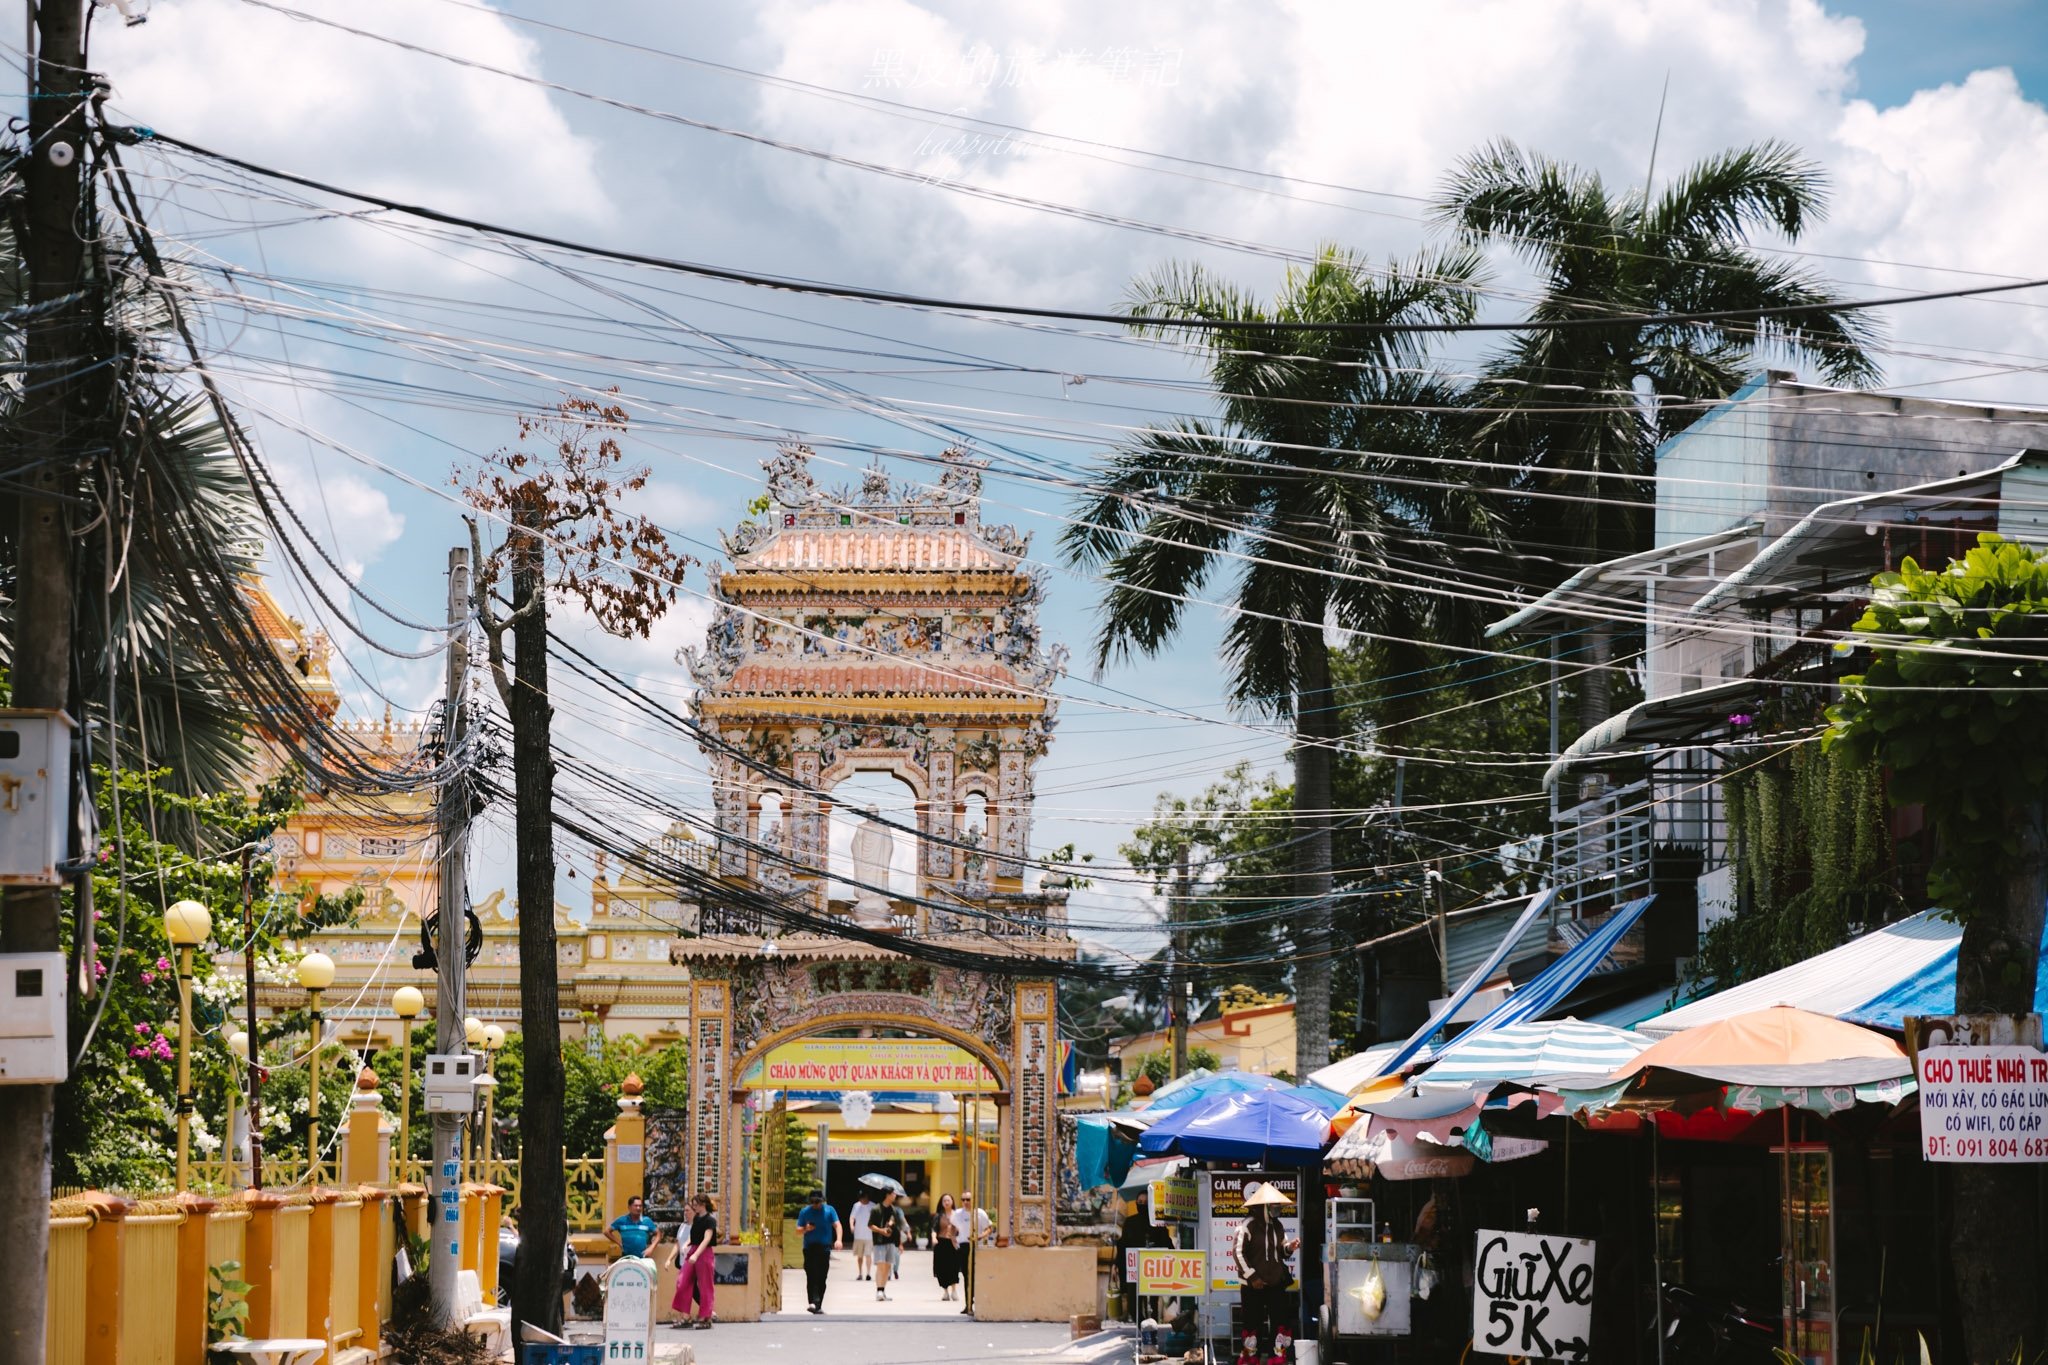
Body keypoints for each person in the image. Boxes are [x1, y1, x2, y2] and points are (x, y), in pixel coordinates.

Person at [1232, 1182, 1300, 1359]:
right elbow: (1238, 1253)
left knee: (1280, 1323)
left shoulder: (1278, 1226)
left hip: (1275, 1283)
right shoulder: (1248, 1225)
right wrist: (1253, 1277)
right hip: (1252, 1285)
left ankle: (1275, 1359)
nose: (1277, 1208)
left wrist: (1290, 1248)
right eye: (1273, 1205)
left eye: (1277, 1205)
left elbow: (1281, 1252)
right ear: (1263, 1206)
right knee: (1252, 1324)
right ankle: (1250, 1359)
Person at [668, 1194, 719, 1329]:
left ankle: (705, 1318)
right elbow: (694, 1235)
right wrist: (686, 1244)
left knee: (705, 1286)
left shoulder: (710, 1221)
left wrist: (696, 1254)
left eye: (695, 1204)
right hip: (693, 1250)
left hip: (704, 1252)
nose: (694, 1206)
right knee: (682, 1281)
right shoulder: (697, 1219)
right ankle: (686, 1316)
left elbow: (706, 1239)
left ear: (702, 1204)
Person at [795, 1190, 842, 1314]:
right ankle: (812, 1302)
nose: (815, 1204)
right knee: (811, 1275)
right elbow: (798, 1230)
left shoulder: (829, 1210)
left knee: (822, 1277)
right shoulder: (805, 1212)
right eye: (812, 1201)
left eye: (817, 1201)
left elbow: (837, 1225)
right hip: (809, 1248)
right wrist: (806, 1228)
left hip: (824, 1248)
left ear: (822, 1201)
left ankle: (818, 1303)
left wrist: (839, 1240)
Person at [869, 1190, 903, 1300]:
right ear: (887, 1195)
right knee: (881, 1266)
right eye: (893, 1193)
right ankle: (878, 1291)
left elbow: (898, 1226)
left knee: (888, 1267)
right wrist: (881, 1230)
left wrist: (899, 1242)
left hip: (891, 1241)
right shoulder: (876, 1209)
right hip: (879, 1241)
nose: (895, 1196)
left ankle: (883, 1291)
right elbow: (870, 1225)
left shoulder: (894, 1209)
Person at [607, 1195, 661, 1259]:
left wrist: (651, 1248)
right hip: (626, 1257)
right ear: (629, 1207)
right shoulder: (622, 1220)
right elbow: (607, 1232)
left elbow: (658, 1234)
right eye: (636, 1206)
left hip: (642, 1257)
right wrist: (619, 1243)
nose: (638, 1208)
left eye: (640, 1206)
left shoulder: (647, 1221)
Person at [931, 1193, 961, 1301]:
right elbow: (934, 1229)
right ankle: (945, 1291)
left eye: (948, 1200)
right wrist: (934, 1239)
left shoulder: (957, 1215)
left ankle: (954, 1290)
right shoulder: (938, 1215)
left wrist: (956, 1228)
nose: (947, 1202)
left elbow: (961, 1228)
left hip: (953, 1243)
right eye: (944, 1201)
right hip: (941, 1243)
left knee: (953, 1267)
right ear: (942, 1203)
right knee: (942, 1268)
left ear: (952, 1201)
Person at [849, 1189, 876, 1281]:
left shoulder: (873, 1206)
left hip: (869, 1235)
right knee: (859, 1256)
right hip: (858, 1235)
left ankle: (868, 1273)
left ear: (866, 1197)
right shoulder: (856, 1206)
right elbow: (852, 1217)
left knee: (868, 1254)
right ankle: (860, 1273)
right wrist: (852, 1226)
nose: (861, 1200)